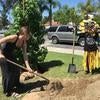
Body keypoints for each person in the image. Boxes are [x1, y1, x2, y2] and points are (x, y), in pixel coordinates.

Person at [0, 26, 33, 97]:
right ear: (24, 34)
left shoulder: (24, 43)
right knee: (8, 73)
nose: (29, 36)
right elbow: (0, 41)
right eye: (29, 34)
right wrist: (0, 54)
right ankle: (8, 91)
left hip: (9, 55)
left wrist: (28, 67)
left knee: (17, 68)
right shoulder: (14, 37)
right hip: (2, 55)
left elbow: (25, 55)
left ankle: (16, 83)